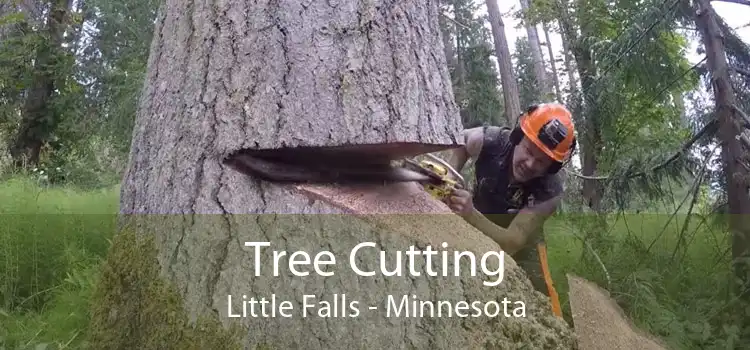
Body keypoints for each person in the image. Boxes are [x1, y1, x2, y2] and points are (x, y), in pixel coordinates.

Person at [444, 103, 577, 318]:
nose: (530, 164)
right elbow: (462, 141)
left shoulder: (549, 192)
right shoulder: (492, 140)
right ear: (517, 137)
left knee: (544, 304)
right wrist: (449, 177)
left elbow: (513, 242)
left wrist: (469, 214)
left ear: (552, 167)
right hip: (479, 221)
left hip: (523, 247)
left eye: (541, 162)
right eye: (528, 151)